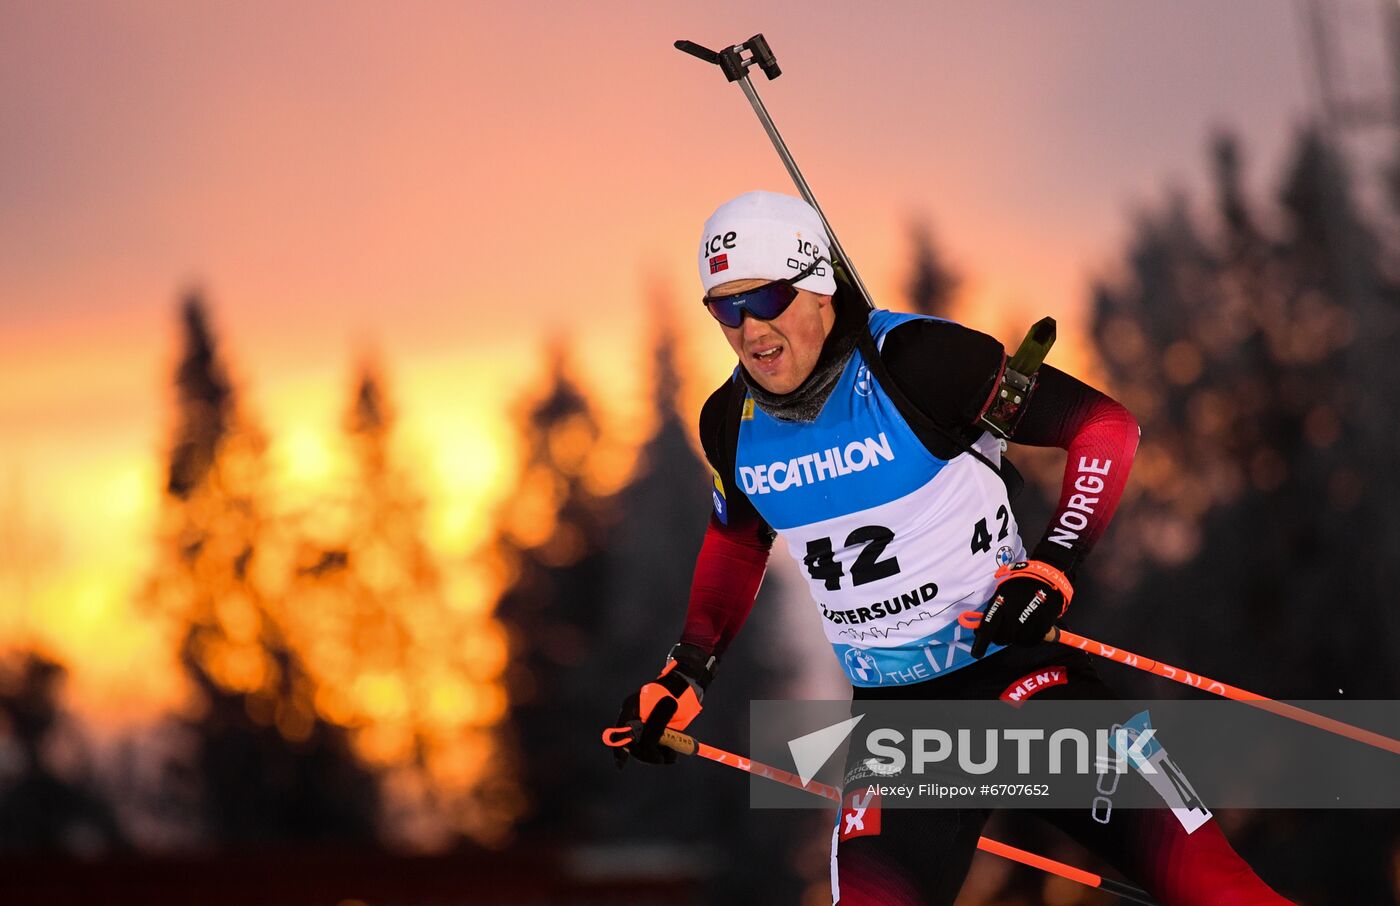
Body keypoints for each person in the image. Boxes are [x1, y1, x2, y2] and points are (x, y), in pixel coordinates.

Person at [612, 190, 1290, 905]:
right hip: (900, 733)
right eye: (725, 307)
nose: (750, 329)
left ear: (817, 286)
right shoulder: (731, 421)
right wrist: (687, 671)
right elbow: (736, 544)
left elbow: (1105, 429)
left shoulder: (917, 361)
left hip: (1026, 685)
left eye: (768, 297)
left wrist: (1052, 569)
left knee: (1219, 893)